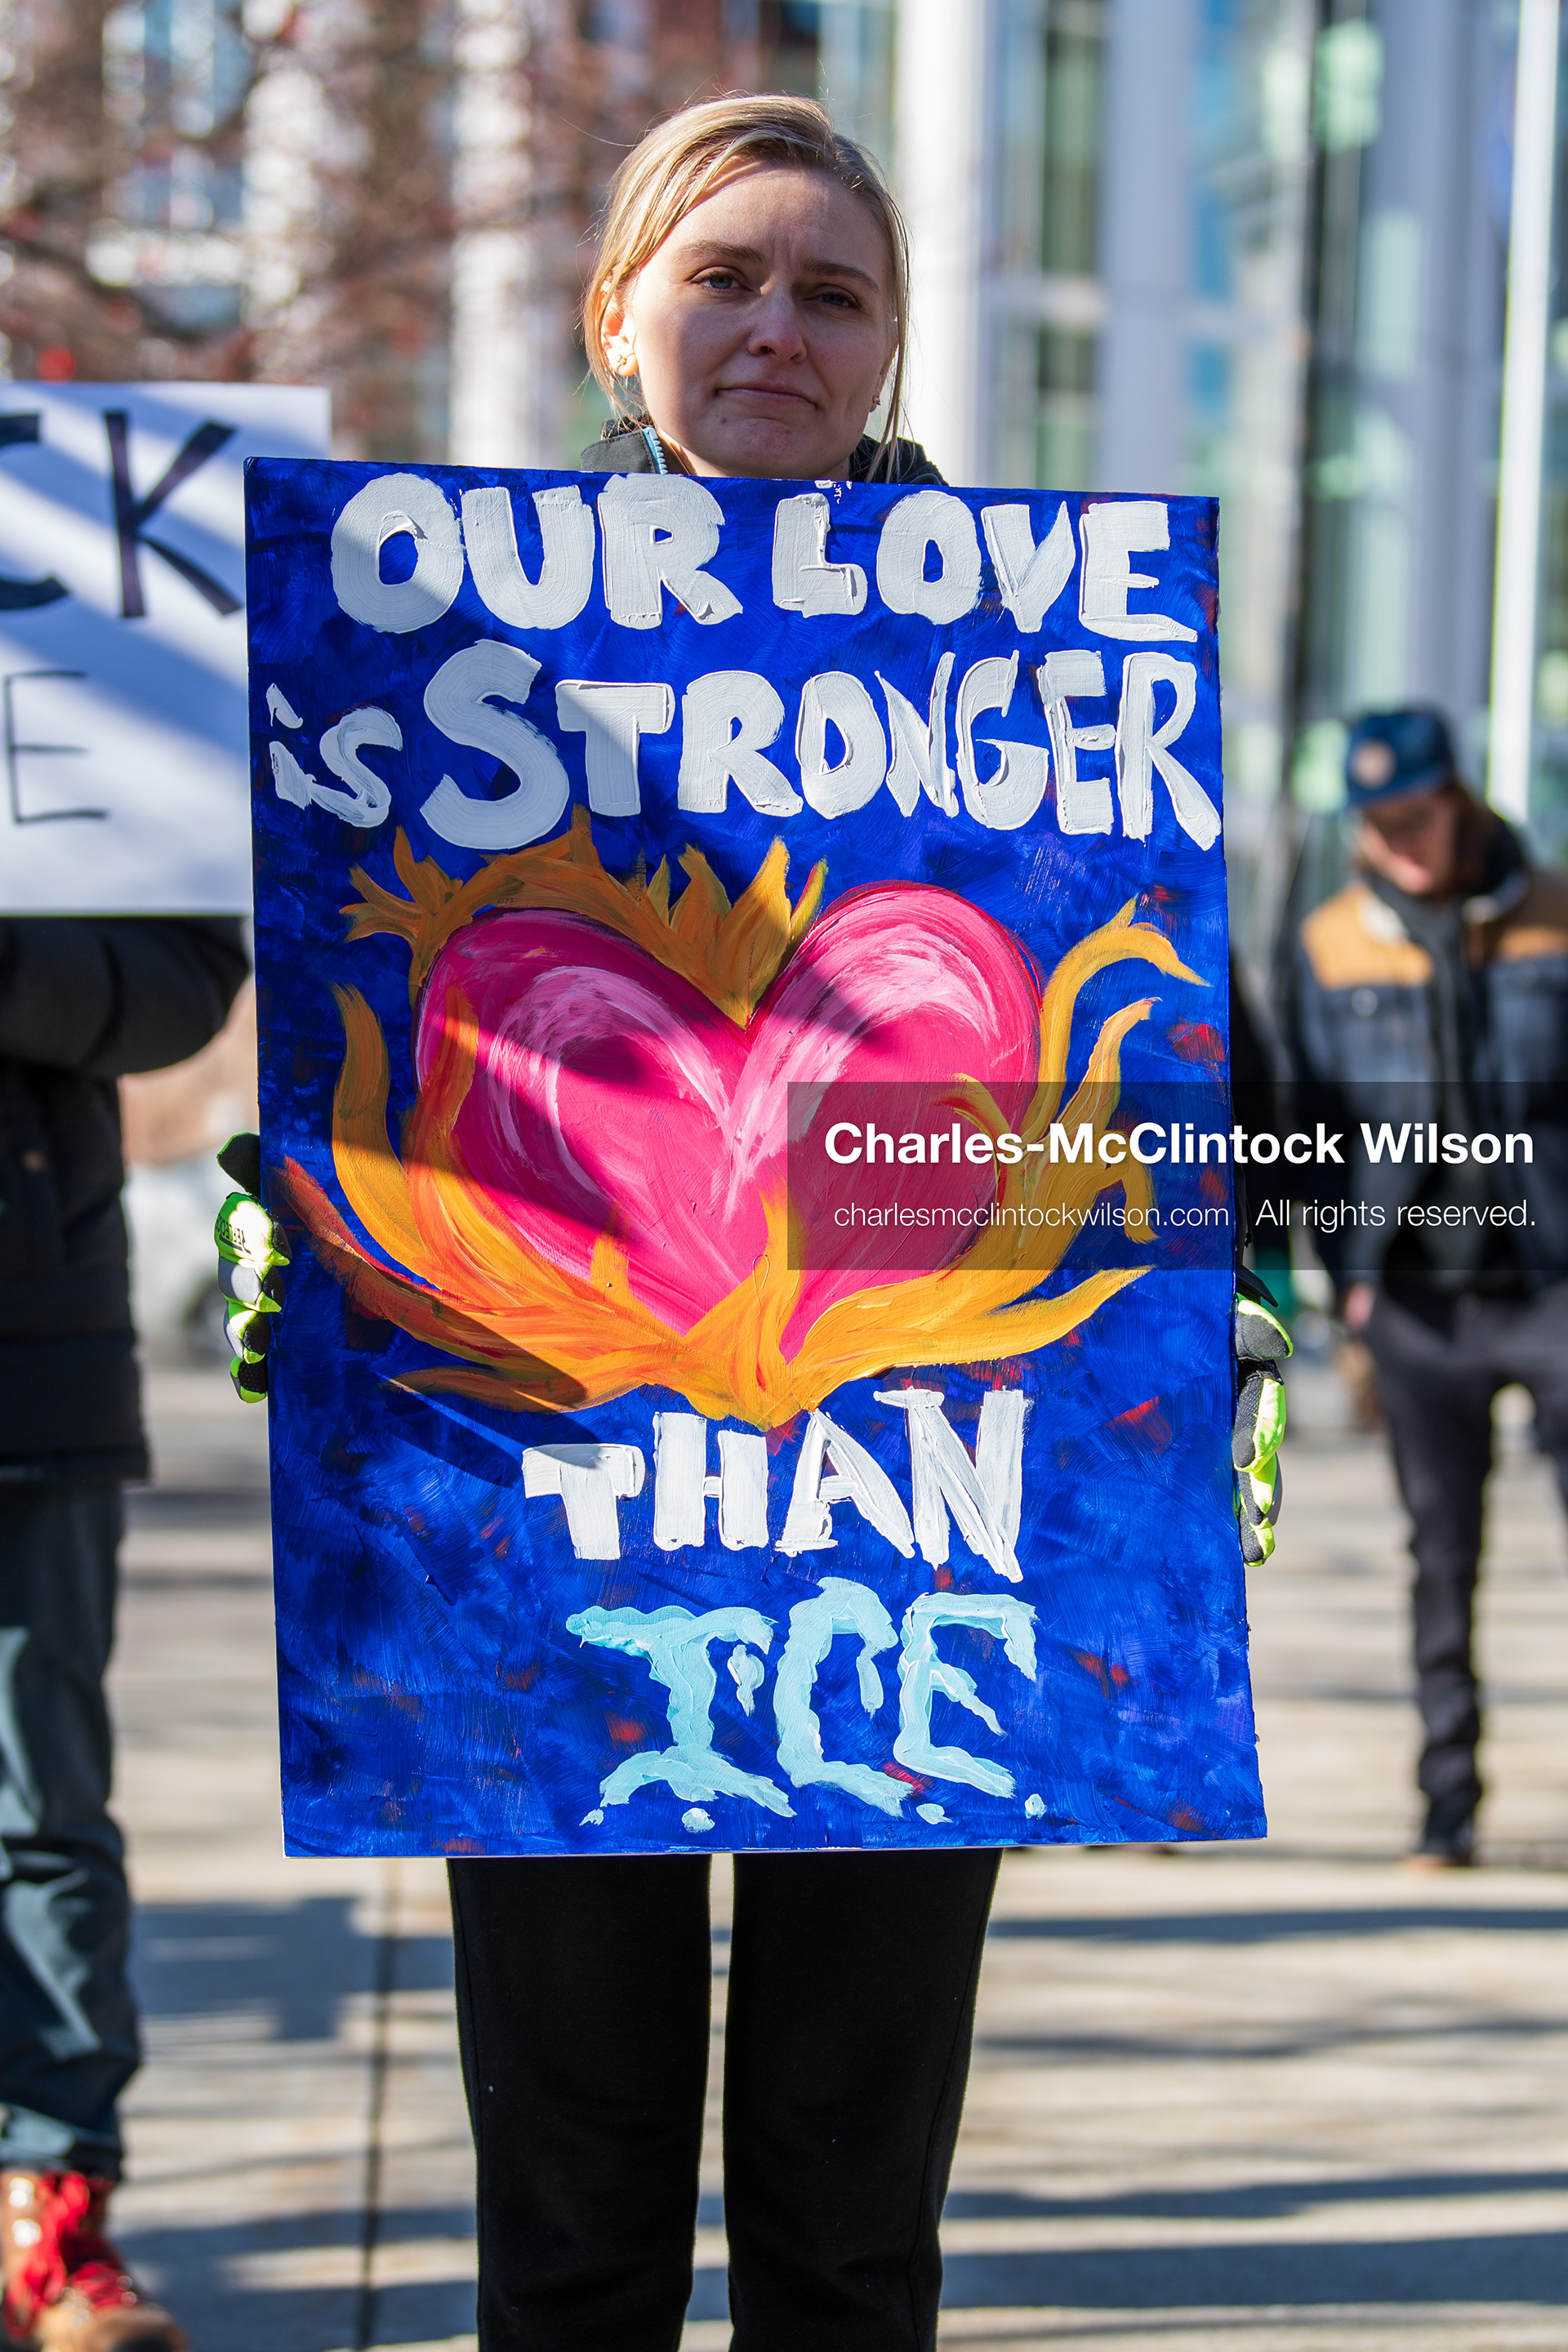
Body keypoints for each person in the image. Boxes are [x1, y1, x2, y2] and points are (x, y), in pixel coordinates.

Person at [217, 94, 1286, 2351]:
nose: (775, 330)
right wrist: (309, 1221)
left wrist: (1208, 1302)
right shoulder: (440, 641)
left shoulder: (1045, 647)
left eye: (833, 292)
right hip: (545, 1506)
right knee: (575, 2190)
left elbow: (1155, 1036)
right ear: (620, 320)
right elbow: (385, 1003)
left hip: (923, 1504)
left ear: (893, 348)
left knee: (845, 2196)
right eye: (724, 277)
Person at [0, 910, 247, 2348]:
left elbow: (181, 985)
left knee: (39, 1810)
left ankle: (52, 2211)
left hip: (28, 1356)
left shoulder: (77, 690)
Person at [1288, 706, 1568, 1867]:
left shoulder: (1555, 916)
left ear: (1462, 802)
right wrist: (1342, 1279)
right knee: (1441, 1557)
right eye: (1379, 823)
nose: (1400, 843)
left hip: (1552, 1280)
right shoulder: (1330, 940)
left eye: (1418, 818)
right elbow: (1303, 1118)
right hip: (1413, 1299)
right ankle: (1447, 1804)